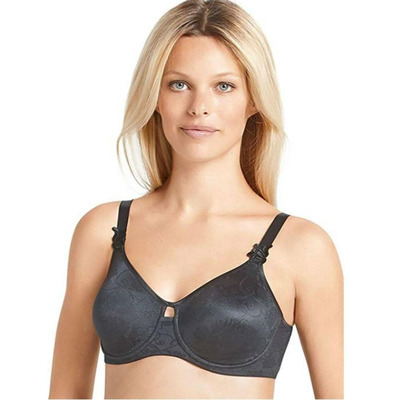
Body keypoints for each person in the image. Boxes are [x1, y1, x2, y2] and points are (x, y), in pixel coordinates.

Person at [48, 0, 344, 398]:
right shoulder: (104, 230)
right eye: (179, 84)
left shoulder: (301, 246)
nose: (199, 108)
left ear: (253, 100)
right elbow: (65, 392)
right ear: (155, 95)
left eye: (224, 86)